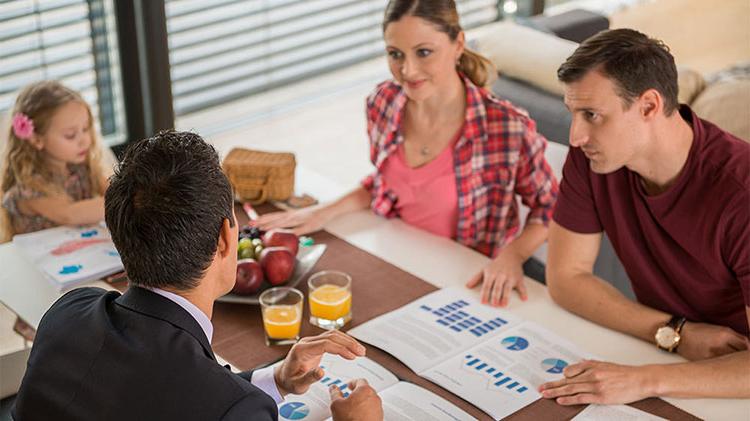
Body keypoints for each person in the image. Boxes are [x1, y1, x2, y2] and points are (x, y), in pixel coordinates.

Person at [12, 131, 383, 421]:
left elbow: (156, 400)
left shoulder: (68, 313)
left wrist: (277, 380)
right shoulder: (231, 409)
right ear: (226, 238)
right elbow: (202, 402)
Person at [257, 0, 559, 307]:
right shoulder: (384, 102)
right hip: (399, 257)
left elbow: (551, 207)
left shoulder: (505, 126)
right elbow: (388, 183)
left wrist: (513, 255)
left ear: (458, 43)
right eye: (395, 54)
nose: (407, 70)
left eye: (424, 52)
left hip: (465, 279)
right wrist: (322, 212)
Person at [540, 29, 749, 404]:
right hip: (668, 360)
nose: (575, 136)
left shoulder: (741, 193)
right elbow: (565, 278)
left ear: (649, 106)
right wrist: (674, 333)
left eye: (591, 114)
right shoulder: (595, 159)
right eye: (572, 113)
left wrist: (644, 380)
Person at [0, 81, 110, 241]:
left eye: (86, 129)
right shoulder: (28, 189)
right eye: (70, 135)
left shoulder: (83, 167)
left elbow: (112, 190)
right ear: (37, 140)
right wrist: (124, 201)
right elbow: (70, 214)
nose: (84, 140)